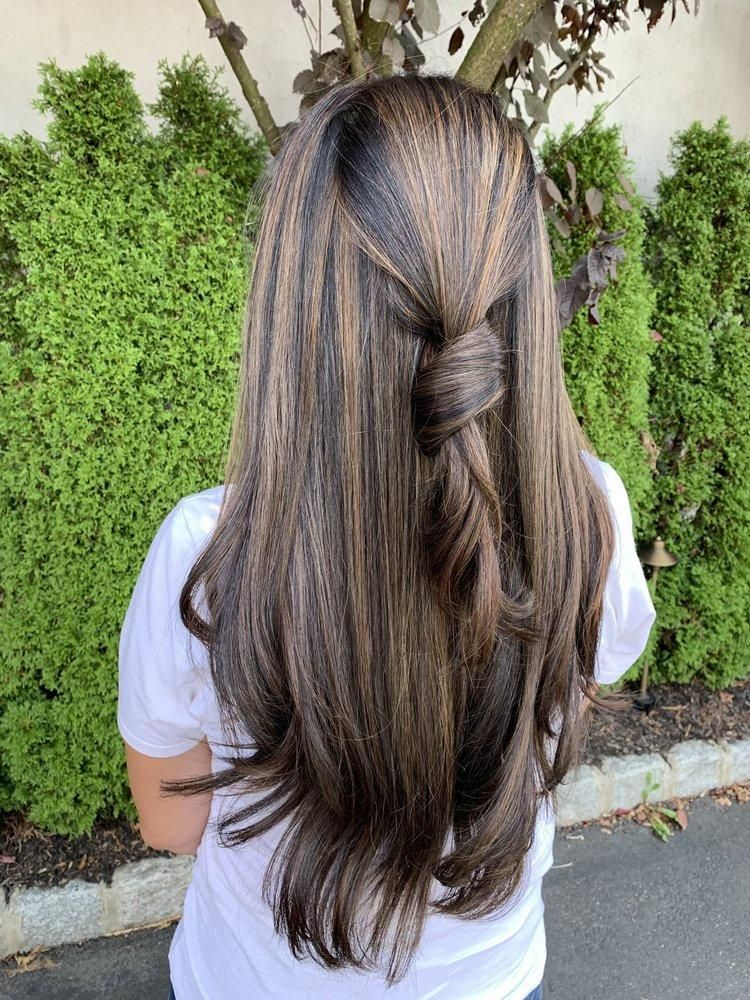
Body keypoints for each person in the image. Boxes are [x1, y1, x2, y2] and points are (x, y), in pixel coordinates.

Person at [118, 75, 656, 1000]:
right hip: (494, 979)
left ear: (297, 309)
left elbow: (171, 826)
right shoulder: (591, 517)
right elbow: (566, 704)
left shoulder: (207, 559)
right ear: (519, 298)